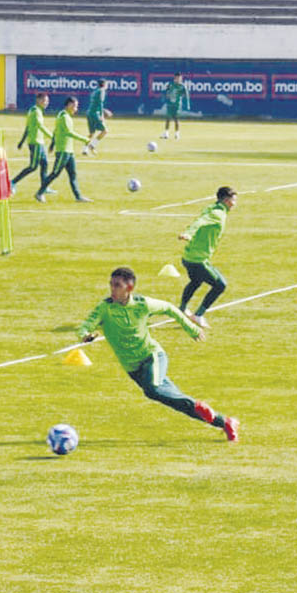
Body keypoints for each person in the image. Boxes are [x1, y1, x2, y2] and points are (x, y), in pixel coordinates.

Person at [77, 267, 240, 442]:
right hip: (133, 369)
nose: (112, 289)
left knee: (153, 390)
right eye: (111, 285)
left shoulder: (142, 304)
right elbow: (85, 325)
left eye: (117, 285)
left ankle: (198, 406)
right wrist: (85, 335)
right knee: (176, 402)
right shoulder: (104, 308)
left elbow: (170, 308)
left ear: (129, 288)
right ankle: (225, 422)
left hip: (152, 357)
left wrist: (191, 328)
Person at [178, 186, 237, 328]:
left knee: (196, 281)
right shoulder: (217, 213)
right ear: (227, 200)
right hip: (197, 260)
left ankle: (182, 309)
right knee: (220, 285)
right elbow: (200, 222)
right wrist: (188, 233)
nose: (235, 204)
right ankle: (198, 315)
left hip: (189, 256)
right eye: (234, 200)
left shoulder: (213, 208)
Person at [35, 97, 92, 203]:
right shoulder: (64, 117)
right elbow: (68, 132)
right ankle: (39, 193)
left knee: (73, 174)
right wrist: (85, 139)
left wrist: (52, 144)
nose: (76, 108)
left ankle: (78, 197)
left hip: (69, 151)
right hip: (63, 151)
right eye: (75, 106)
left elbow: (56, 131)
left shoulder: (65, 116)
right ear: (69, 105)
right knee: (55, 173)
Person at [11, 92, 54, 196]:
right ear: (38, 100)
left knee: (44, 164)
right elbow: (40, 126)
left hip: (39, 142)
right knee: (33, 166)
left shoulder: (33, 110)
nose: (46, 103)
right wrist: (53, 138)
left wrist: (21, 141)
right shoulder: (36, 112)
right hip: (35, 143)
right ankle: (12, 182)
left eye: (47, 101)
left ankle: (44, 187)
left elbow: (28, 127)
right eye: (44, 101)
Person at [82, 79, 110, 156]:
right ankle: (92, 145)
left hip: (89, 113)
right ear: (104, 84)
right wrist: (102, 115)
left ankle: (85, 149)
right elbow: (100, 103)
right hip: (95, 114)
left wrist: (104, 110)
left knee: (91, 133)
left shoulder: (94, 92)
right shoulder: (102, 91)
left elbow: (95, 104)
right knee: (105, 131)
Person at [160, 72, 190, 140]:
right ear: (175, 78)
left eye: (179, 78)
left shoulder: (182, 86)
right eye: (177, 78)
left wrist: (187, 104)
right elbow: (165, 92)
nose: (178, 79)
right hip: (170, 104)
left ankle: (177, 134)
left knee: (176, 119)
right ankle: (166, 133)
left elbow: (186, 95)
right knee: (168, 118)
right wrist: (166, 95)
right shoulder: (170, 84)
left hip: (177, 105)